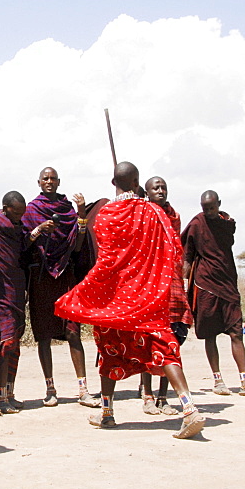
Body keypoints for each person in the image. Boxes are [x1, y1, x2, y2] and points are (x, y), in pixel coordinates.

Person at [55, 162, 205, 439]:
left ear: (114, 182)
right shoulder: (155, 213)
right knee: (165, 346)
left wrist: (91, 287)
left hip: (115, 297)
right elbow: (173, 249)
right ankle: (189, 408)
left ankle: (107, 413)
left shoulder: (107, 213)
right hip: (150, 295)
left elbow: (106, 258)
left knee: (109, 349)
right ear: (137, 182)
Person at [181, 189, 245, 398]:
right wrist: (183, 282)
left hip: (228, 281)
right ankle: (218, 380)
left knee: (236, 332)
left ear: (219, 204)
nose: (209, 212)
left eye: (212, 207)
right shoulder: (196, 224)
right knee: (210, 334)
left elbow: (227, 239)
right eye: (205, 208)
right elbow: (187, 254)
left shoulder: (227, 224)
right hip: (205, 285)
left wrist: (224, 219)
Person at [22, 167, 99, 408]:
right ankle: (50, 389)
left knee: (73, 332)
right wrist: (39, 230)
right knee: (44, 336)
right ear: (38, 181)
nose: (49, 182)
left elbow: (77, 248)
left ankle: (83, 390)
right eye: (45, 178)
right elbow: (23, 244)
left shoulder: (67, 209)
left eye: (53, 178)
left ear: (59, 182)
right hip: (41, 277)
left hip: (66, 276)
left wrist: (81, 214)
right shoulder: (31, 210)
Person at [138, 176, 194, 414]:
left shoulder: (174, 216)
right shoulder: (141, 214)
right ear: (147, 192)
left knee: (172, 340)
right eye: (155, 188)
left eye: (163, 187)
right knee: (147, 342)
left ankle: (163, 396)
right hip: (149, 285)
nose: (160, 191)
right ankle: (148, 396)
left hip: (171, 284)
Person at [0, 192, 39, 414]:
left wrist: (37, 231)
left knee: (14, 345)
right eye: (15, 214)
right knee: (3, 344)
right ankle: (1, 397)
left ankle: (10, 393)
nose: (18, 219)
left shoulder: (17, 228)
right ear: (5, 208)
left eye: (21, 215)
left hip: (15, 291)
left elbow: (23, 248)